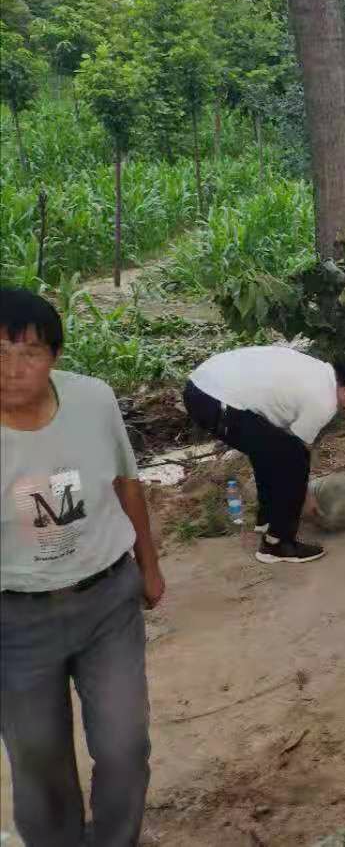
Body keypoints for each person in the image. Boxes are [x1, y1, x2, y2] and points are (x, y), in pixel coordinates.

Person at [1, 287, 166, 847]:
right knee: (37, 758)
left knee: (125, 745)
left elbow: (126, 482)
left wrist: (149, 566)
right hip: (15, 618)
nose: (12, 369)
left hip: (107, 600)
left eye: (29, 352)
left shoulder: (92, 400)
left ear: (54, 356)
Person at [184, 347, 345, 563]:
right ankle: (277, 544)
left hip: (204, 386)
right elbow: (299, 449)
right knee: (293, 460)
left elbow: (285, 437)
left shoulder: (320, 372)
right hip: (215, 398)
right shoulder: (324, 400)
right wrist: (305, 497)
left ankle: (267, 520)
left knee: (270, 450)